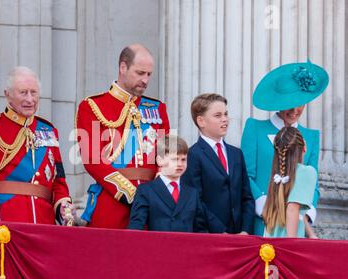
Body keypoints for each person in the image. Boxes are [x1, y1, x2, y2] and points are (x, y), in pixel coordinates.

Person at [76, 44, 170, 229]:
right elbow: (92, 160)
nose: (145, 80)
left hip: (151, 208)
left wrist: (155, 196)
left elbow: (167, 155)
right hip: (112, 203)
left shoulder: (158, 109)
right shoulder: (93, 106)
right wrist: (130, 194)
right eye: (140, 73)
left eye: (149, 75)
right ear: (123, 67)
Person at [0, 66, 75, 225]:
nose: (30, 99)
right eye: (23, 93)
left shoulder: (48, 130)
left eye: (33, 92)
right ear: (8, 95)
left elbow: (58, 181)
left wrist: (63, 205)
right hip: (6, 225)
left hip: (44, 224)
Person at [241, 61, 329, 238]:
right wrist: (265, 205)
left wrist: (306, 213)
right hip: (264, 220)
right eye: (290, 104)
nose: (295, 110)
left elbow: (313, 181)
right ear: (278, 102)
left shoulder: (311, 136)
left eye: (301, 104)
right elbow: (246, 174)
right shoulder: (255, 128)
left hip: (297, 224)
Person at [182, 94, 255, 234]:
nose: (225, 119)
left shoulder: (236, 154)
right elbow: (196, 200)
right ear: (201, 121)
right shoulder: (193, 155)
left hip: (240, 235)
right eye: (218, 115)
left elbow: (247, 197)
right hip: (210, 236)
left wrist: (245, 230)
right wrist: (220, 231)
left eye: (226, 114)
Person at [128, 135, 208, 233]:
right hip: (157, 246)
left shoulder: (192, 193)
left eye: (183, 159)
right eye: (174, 159)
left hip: (186, 247)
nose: (180, 164)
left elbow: (200, 229)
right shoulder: (146, 190)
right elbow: (136, 226)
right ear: (160, 160)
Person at [263, 127, 317, 238]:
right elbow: (292, 209)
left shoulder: (277, 176)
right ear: (304, 148)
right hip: (287, 248)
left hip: (269, 247)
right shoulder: (306, 172)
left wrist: (311, 235)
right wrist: (291, 245)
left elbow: (297, 211)